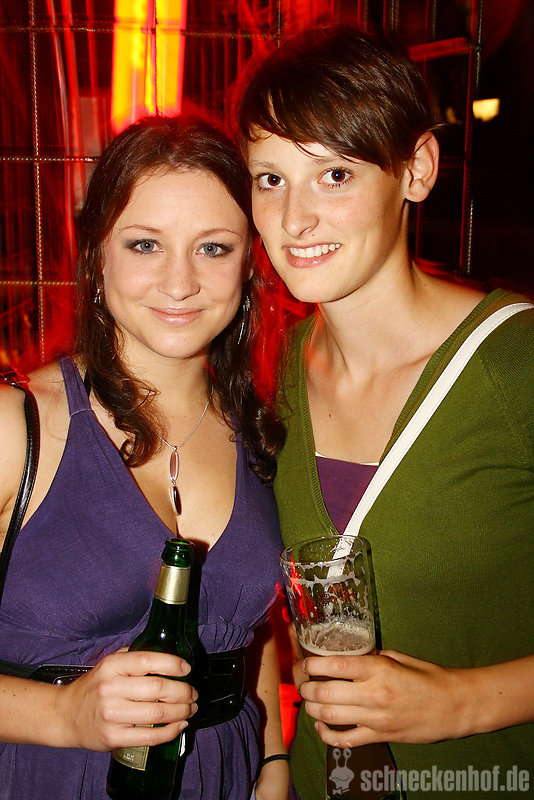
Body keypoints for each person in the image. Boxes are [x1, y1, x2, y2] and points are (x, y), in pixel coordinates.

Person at [236, 24, 534, 800]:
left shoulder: (516, 366)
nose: (294, 220)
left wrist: (460, 703)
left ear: (417, 170)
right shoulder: (272, 373)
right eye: (270, 179)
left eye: (334, 175)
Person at [0, 115, 289, 800]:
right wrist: (63, 715)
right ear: (97, 256)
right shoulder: (17, 427)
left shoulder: (260, 429)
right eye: (145, 244)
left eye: (213, 248)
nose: (180, 282)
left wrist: (273, 765)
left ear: (249, 262)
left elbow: (249, 632)